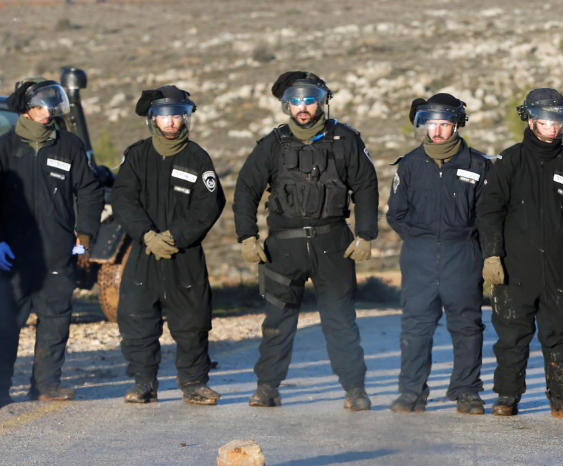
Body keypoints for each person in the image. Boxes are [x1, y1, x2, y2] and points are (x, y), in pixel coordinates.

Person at [234, 70, 378, 411]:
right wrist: (247, 236)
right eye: (295, 101)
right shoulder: (273, 144)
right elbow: (245, 190)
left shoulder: (346, 141)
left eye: (309, 100)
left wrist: (366, 234)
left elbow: (367, 186)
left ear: (322, 102)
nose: (302, 107)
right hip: (284, 245)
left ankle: (354, 389)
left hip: (333, 242)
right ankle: (267, 387)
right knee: (278, 321)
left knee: (340, 320)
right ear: (286, 105)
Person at [0, 78, 104, 414]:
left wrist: (85, 232)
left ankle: (46, 386)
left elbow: (89, 190)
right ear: (26, 109)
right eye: (40, 106)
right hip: (10, 257)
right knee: (1, 325)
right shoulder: (3, 149)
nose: (46, 113)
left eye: (50, 106)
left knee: (56, 321)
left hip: (56, 255)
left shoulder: (69, 146)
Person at [477, 88, 563, 417]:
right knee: (512, 336)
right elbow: (489, 212)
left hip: (559, 267)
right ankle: (507, 396)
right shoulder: (508, 161)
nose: (554, 127)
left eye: (559, 121)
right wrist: (491, 255)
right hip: (514, 268)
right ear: (531, 121)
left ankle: (562, 397)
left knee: (560, 332)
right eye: (546, 121)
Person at [111, 85, 226, 405]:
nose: (172, 121)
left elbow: (209, 205)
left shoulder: (197, 157)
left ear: (186, 117)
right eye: (164, 116)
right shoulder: (136, 156)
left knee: (192, 322)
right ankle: (144, 383)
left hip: (183, 254)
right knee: (137, 320)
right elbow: (122, 199)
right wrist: (147, 235)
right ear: (153, 119)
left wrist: (175, 237)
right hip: (144, 252)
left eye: (177, 115)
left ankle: (193, 383)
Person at [386, 93, 490, 414]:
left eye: (445, 124)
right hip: (419, 260)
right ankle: (412, 393)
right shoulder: (410, 164)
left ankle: (467, 392)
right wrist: (420, 242)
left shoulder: (478, 164)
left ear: (457, 125)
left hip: (463, 257)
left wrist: (481, 252)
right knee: (416, 327)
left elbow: (488, 216)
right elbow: (395, 213)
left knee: (467, 327)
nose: (438, 132)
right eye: (432, 124)